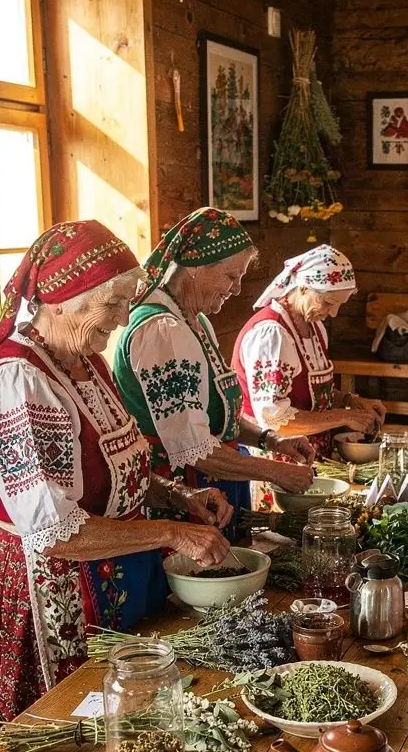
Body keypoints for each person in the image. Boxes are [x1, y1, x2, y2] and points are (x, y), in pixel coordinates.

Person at [0, 221, 230, 733]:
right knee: (72, 739)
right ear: (61, 300)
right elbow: (56, 532)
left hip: (114, 574)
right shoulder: (19, 381)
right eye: (112, 304)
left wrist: (178, 493)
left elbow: (123, 461)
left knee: (130, 721)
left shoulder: (84, 360)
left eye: (127, 302)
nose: (122, 320)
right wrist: (171, 533)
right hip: (54, 592)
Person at [114, 208, 315, 528]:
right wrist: (275, 471)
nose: (236, 289)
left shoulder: (196, 322)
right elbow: (194, 448)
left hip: (217, 482)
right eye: (230, 276)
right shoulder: (161, 331)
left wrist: (270, 439)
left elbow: (215, 414)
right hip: (182, 496)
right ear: (195, 268)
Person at [232, 244, 385, 458]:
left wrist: (350, 401)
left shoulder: (314, 327)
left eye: (339, 305)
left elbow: (311, 394)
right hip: (274, 459)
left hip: (307, 455)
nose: (332, 313)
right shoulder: (272, 334)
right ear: (303, 288)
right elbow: (275, 420)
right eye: (328, 303)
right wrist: (343, 416)